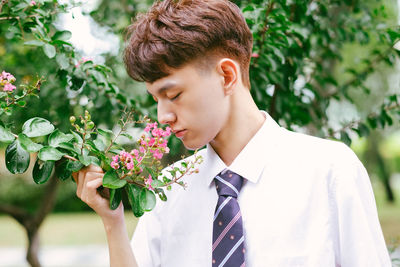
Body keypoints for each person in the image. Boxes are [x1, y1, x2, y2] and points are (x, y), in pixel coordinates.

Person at [73, 0, 392, 266]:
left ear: (226, 75)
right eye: (155, 99)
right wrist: (113, 224)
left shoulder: (330, 172)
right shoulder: (169, 191)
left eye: (173, 95)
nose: (162, 117)